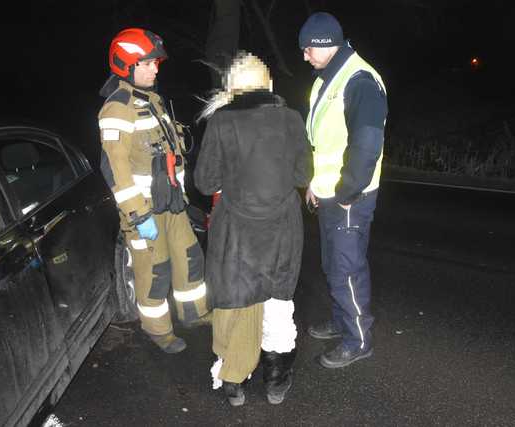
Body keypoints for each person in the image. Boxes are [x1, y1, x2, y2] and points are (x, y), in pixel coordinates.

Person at [194, 52, 313, 406]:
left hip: (237, 233)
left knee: (235, 302)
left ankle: (234, 382)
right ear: (270, 85)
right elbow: (303, 176)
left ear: (231, 89)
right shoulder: (292, 119)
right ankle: (276, 381)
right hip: (281, 230)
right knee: (278, 303)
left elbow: (204, 182)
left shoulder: (220, 122)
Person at [98, 28, 209, 354]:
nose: (155, 69)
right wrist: (137, 213)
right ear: (125, 65)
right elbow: (114, 169)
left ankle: (195, 313)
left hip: (173, 203)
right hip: (144, 210)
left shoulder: (153, 100)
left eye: (155, 63)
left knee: (190, 258)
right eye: (147, 64)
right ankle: (159, 332)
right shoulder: (117, 109)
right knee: (155, 271)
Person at [299, 12, 388, 368]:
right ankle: (341, 322)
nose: (304, 56)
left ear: (324, 43)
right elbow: (323, 142)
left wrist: (347, 192)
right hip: (330, 192)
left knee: (346, 270)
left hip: (349, 195)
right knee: (332, 264)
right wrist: (315, 184)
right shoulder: (326, 79)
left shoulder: (361, 81)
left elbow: (367, 147)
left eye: (308, 49)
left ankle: (358, 340)